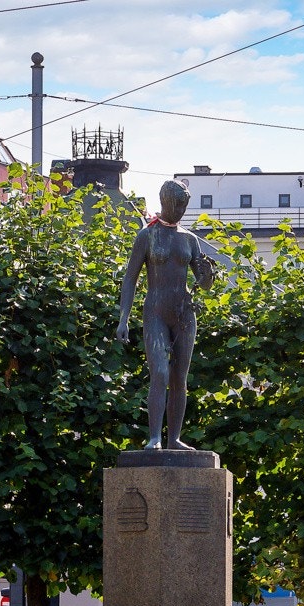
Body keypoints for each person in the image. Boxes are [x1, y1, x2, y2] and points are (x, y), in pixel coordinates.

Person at [115, 180, 216, 450]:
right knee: (159, 373)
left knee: (179, 377)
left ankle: (174, 438)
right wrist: (124, 318)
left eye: (185, 204)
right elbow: (130, 279)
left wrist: (207, 273)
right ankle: (155, 437)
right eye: (178, 204)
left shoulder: (190, 239)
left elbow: (204, 284)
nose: (182, 210)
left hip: (184, 313)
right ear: (166, 202)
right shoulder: (146, 236)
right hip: (156, 312)